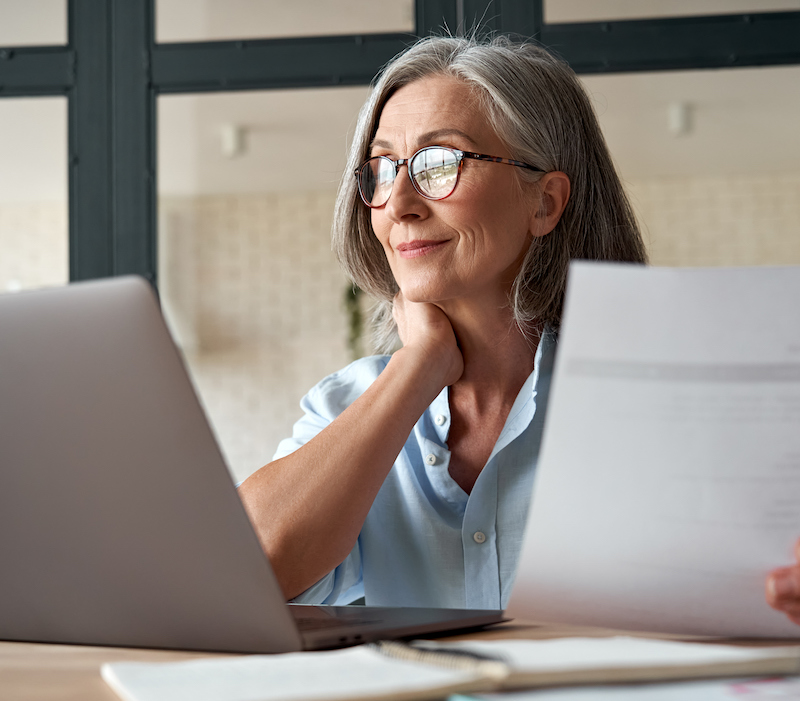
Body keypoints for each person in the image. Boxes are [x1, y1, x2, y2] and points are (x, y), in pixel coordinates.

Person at [238, 35, 800, 623]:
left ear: (545, 203)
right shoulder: (346, 406)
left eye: (440, 163)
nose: (398, 202)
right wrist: (419, 365)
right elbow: (249, 570)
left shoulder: (670, 397)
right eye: (382, 168)